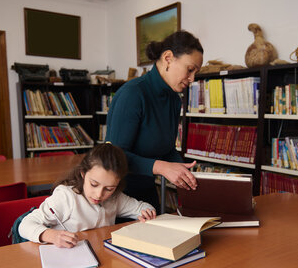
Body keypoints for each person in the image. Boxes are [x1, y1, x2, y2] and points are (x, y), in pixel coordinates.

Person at [106, 30, 204, 210]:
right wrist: (162, 168)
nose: (192, 79)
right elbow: (114, 156)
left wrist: (185, 171)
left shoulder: (174, 99)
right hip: (117, 197)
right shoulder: (133, 94)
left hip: (147, 192)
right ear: (168, 58)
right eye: (190, 69)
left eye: (195, 72)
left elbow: (165, 149)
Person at [18, 143, 156, 248]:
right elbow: (25, 225)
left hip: (100, 256)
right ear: (83, 174)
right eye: (94, 184)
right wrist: (51, 235)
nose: (99, 194)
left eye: (109, 188)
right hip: (67, 260)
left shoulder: (116, 198)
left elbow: (143, 207)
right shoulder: (66, 197)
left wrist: (147, 212)